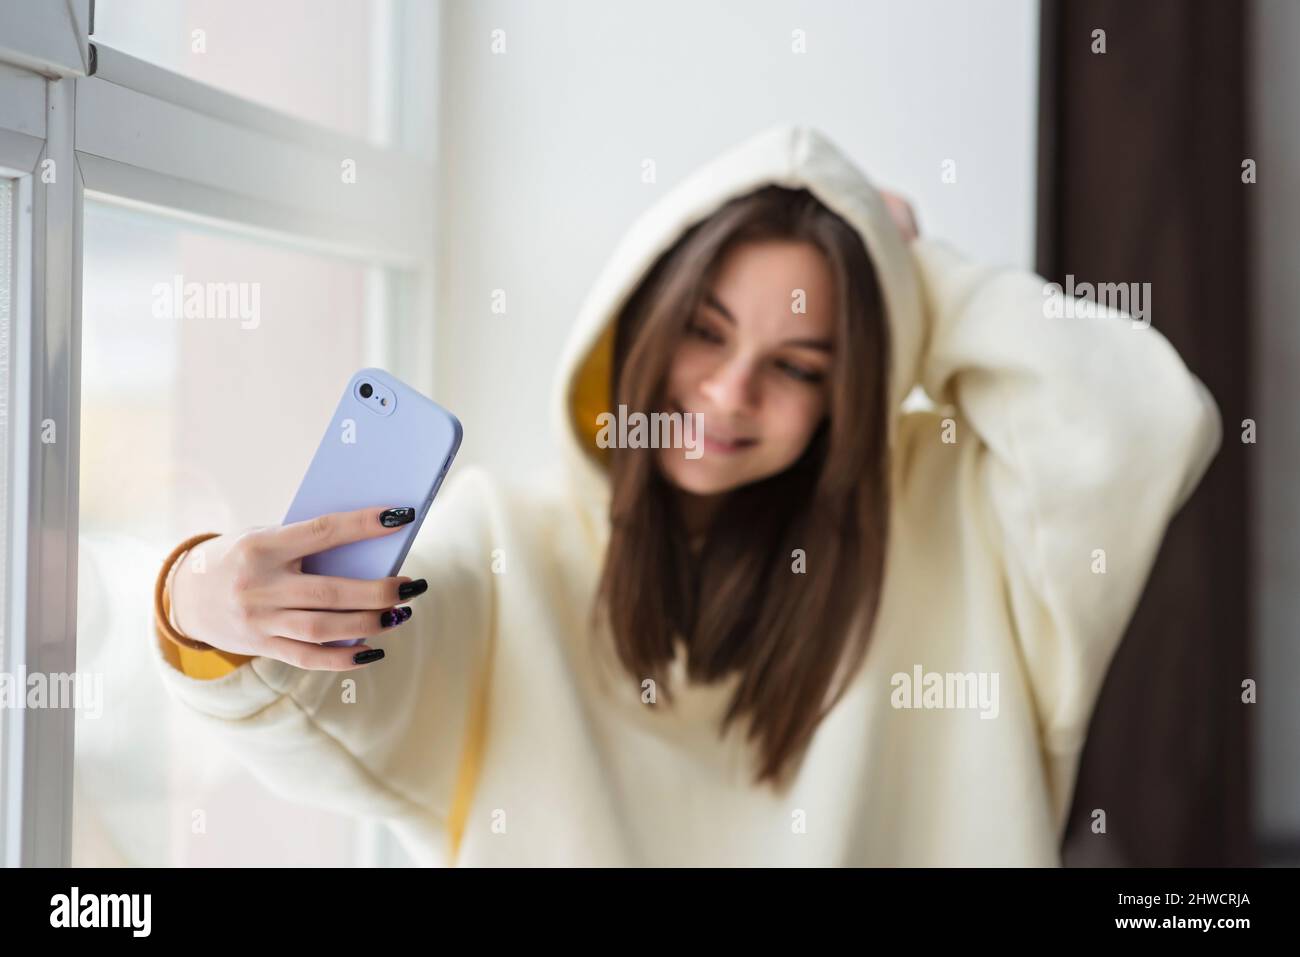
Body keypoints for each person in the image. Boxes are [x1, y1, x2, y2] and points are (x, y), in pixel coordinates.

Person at [152, 124, 1221, 866]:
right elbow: (344, 692)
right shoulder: (509, 542)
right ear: (641, 314)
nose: (728, 392)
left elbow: (1139, 419)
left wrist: (906, 270)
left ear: (851, 389)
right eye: (705, 331)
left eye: (801, 365)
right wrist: (198, 600)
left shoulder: (954, 515)